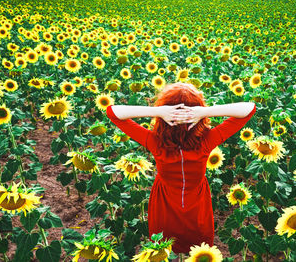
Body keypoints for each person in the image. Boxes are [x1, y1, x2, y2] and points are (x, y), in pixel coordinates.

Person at [106, 82, 256, 258]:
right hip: (197, 202)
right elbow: (249, 108)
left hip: (164, 203)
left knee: (163, 248)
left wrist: (158, 112)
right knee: (198, 251)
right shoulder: (206, 141)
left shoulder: (156, 142)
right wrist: (204, 112)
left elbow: (113, 112)